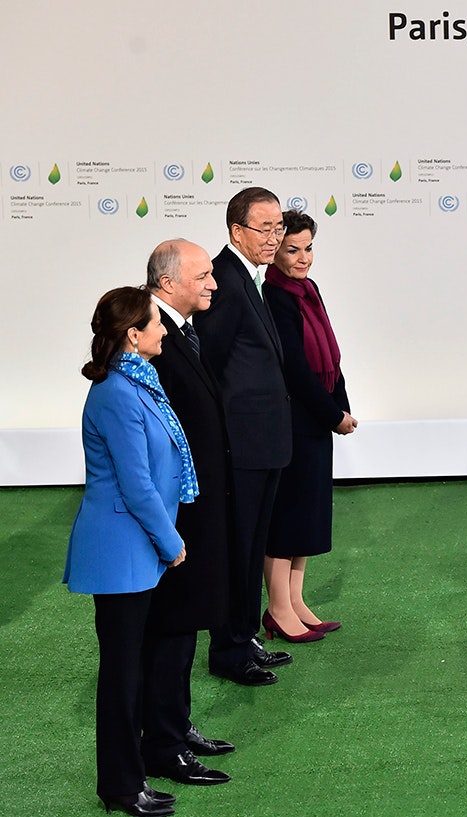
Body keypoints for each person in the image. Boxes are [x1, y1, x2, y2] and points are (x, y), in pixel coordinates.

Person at [64, 287, 193, 817]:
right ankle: (121, 785)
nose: (164, 330)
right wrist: (171, 540)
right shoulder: (118, 393)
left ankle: (130, 776)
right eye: (156, 323)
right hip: (122, 550)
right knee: (121, 675)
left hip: (135, 548)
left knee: (132, 668)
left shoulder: (138, 382)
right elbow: (136, 484)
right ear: (134, 335)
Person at [193, 187, 294, 686]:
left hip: (263, 441)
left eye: (279, 227)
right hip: (241, 444)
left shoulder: (249, 276)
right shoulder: (223, 281)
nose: (274, 238)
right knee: (238, 548)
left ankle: (244, 636)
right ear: (237, 231)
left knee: (253, 546)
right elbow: (208, 365)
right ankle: (229, 651)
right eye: (265, 228)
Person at [143, 240, 233, 786]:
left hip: (194, 509)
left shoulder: (177, 332)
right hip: (175, 515)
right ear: (168, 282)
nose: (214, 284)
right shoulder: (151, 338)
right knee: (171, 628)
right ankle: (164, 744)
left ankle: (176, 725)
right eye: (202, 276)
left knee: (184, 627)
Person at [261, 210, 356, 642]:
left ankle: (296, 602)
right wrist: (333, 414)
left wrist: (341, 405)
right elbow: (295, 369)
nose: (303, 258)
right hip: (293, 421)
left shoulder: (308, 289)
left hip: (315, 420)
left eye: (308, 248)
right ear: (274, 252)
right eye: (292, 250)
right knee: (287, 518)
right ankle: (278, 609)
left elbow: (330, 355)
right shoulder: (274, 296)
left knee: (306, 517)